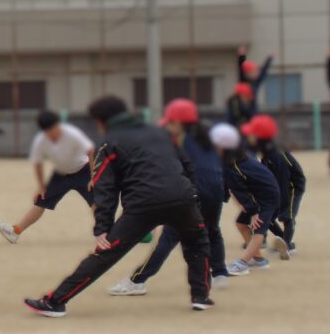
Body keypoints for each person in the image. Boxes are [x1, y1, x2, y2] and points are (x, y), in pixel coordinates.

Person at [24, 96, 213, 318]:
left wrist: (102, 227)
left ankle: (55, 301)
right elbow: (187, 164)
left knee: (105, 253)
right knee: (198, 244)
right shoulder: (161, 133)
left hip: (143, 205)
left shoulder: (109, 141)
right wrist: (192, 196)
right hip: (182, 199)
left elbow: (106, 187)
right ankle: (201, 297)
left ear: (101, 120)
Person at [109, 99, 230, 296]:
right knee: (213, 230)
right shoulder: (206, 132)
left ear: (178, 122)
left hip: (194, 188)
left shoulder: (177, 138)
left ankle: (137, 280)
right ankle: (220, 273)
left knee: (170, 236)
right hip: (215, 186)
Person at [0, 110, 95, 244]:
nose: (51, 134)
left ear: (58, 125)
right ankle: (15, 232)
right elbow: (37, 163)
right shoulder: (41, 140)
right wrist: (41, 186)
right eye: (47, 131)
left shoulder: (72, 134)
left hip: (84, 171)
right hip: (61, 174)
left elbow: (90, 151)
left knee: (96, 203)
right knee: (41, 200)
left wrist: (94, 177)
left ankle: (107, 234)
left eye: (53, 129)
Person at [209, 123, 281, 276]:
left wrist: (254, 211)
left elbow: (239, 189)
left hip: (267, 196)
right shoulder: (235, 155)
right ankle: (259, 260)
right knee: (241, 223)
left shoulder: (230, 165)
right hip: (259, 194)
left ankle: (242, 263)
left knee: (259, 228)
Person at [242, 114, 306, 256]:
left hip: (292, 185)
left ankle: (288, 247)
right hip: (278, 185)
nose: (248, 137)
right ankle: (284, 241)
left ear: (260, 137)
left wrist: (280, 203)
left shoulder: (276, 154)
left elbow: (284, 181)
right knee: (267, 216)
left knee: (287, 214)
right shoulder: (266, 150)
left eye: (252, 134)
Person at [238, 45, 273, 112]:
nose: (256, 73)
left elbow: (263, 71)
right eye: (253, 71)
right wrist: (241, 55)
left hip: (253, 110)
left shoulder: (256, 82)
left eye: (255, 71)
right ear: (247, 73)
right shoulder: (243, 81)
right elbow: (241, 68)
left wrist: (269, 59)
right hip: (241, 110)